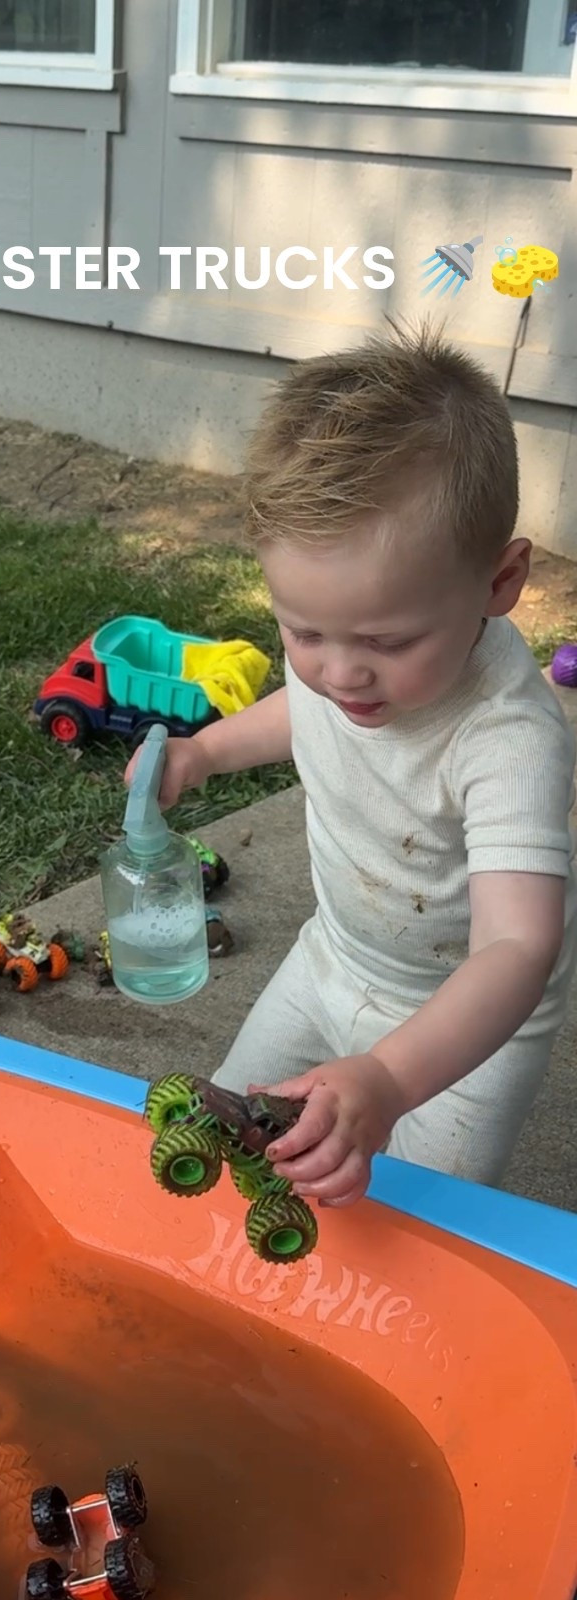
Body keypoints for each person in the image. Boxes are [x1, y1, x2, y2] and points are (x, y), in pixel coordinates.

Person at [130, 320, 576, 1207]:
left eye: (384, 639)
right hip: (331, 960)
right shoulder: (347, 663)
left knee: (416, 1218)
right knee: (232, 1129)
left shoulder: (507, 739)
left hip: (464, 1025)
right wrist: (208, 750)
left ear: (500, 581)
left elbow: (519, 944)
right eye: (303, 632)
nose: (338, 672)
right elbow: (306, 711)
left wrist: (391, 1078)